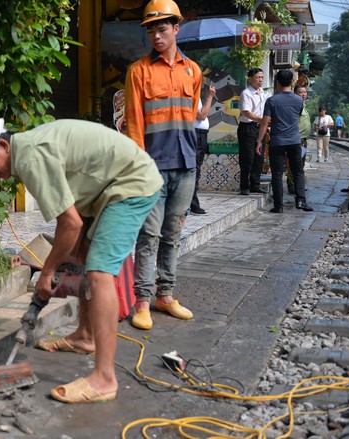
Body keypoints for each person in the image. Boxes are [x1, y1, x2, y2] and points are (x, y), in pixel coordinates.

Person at [0, 114, 163, 404]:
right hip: (105, 188)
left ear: (2, 145)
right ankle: (85, 336)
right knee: (82, 256)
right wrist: (63, 259)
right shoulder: (29, 149)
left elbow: (71, 224)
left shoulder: (30, 158)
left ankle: (104, 379)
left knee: (100, 272)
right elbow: (69, 222)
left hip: (131, 184)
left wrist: (46, 272)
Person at [124, 0, 199, 330]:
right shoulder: (138, 71)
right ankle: (142, 300)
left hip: (186, 163)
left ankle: (165, 295)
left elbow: (192, 115)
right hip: (152, 166)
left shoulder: (192, 70)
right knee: (148, 234)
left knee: (172, 234)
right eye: (151, 29)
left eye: (162, 28)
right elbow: (134, 123)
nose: (156, 35)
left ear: (176, 29)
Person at [256, 70, 313, 213]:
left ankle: (278, 206)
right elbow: (296, 116)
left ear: (278, 82)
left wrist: (259, 141)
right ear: (292, 82)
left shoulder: (272, 100)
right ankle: (301, 201)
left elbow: (264, 123)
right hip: (295, 141)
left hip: (277, 142)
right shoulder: (299, 100)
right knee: (298, 171)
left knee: (277, 173)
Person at [238, 68, 269, 195]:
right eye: (258, 77)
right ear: (250, 79)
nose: (260, 80)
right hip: (248, 127)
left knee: (259, 157)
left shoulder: (264, 93)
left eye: (262, 77)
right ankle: (244, 185)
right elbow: (247, 112)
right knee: (247, 158)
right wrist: (263, 120)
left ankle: (255, 184)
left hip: (260, 128)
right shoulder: (246, 93)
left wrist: (265, 124)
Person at [190, 81, 217, 215]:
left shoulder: (194, 95)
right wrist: (210, 96)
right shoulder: (189, 95)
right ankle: (192, 202)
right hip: (195, 134)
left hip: (200, 134)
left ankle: (191, 201)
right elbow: (201, 115)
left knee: (196, 168)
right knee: (194, 169)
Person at [286, 84, 310, 194]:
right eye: (300, 92)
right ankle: (292, 185)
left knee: (300, 164)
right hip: (297, 139)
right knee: (294, 163)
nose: (303, 94)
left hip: (303, 139)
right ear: (295, 93)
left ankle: (298, 185)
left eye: (304, 92)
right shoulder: (294, 106)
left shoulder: (303, 105)